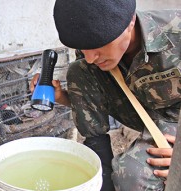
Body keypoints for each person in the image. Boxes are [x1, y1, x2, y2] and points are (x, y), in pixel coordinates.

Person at [30, 0, 181, 190]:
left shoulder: (176, 34)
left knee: (132, 177)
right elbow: (91, 101)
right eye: (84, 48)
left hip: (175, 121)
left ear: (131, 22)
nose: (91, 57)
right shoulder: (91, 49)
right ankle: (103, 174)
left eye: (99, 45)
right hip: (141, 111)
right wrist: (61, 96)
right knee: (79, 70)